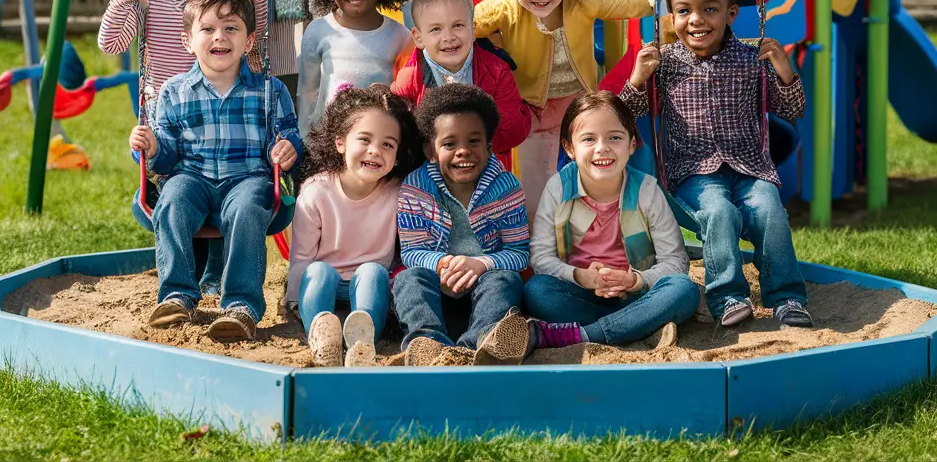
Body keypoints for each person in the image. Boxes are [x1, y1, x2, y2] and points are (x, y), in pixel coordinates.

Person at [621, 0, 812, 328]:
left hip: (749, 166)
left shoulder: (750, 59)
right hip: (693, 174)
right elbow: (626, 118)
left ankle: (787, 296)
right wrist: (637, 80)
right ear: (671, 16)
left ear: (731, 14)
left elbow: (792, 110)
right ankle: (727, 297)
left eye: (709, 9)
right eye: (683, 11)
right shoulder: (665, 62)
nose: (696, 20)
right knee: (719, 213)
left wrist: (786, 73)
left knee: (769, 208)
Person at [99, 0, 265, 295]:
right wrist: (122, 0)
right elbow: (112, 45)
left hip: (220, 103)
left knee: (225, 178)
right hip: (169, 109)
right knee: (182, 186)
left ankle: (216, 277)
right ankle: (185, 277)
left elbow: (255, 49)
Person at [128, 0, 301, 343]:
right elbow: (167, 153)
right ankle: (177, 295)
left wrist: (286, 150)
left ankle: (240, 306)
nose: (219, 37)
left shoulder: (269, 90)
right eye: (207, 29)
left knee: (250, 207)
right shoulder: (173, 91)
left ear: (249, 41)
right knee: (171, 199)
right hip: (193, 177)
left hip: (247, 178)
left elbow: (286, 136)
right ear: (188, 40)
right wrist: (152, 146)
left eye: (231, 28)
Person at [474, 0, 652, 221]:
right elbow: (470, 23)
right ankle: (533, 243)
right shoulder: (505, 5)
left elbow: (620, 7)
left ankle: (589, 234)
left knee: (586, 176)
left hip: (577, 104)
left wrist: (654, 1)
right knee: (535, 185)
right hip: (533, 110)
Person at [512, 91, 698, 358]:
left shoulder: (646, 190)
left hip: (637, 295)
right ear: (569, 148)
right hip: (582, 295)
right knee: (537, 291)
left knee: (683, 289)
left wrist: (635, 279)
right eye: (589, 139)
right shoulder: (558, 188)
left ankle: (585, 335)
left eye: (615, 137)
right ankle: (636, 327)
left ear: (631, 145)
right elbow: (541, 257)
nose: (602, 148)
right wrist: (581, 276)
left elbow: (676, 261)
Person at [392, 84, 530, 366]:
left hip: (486, 299)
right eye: (450, 144)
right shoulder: (416, 187)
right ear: (432, 150)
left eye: (474, 141)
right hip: (438, 295)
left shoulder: (506, 187)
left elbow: (519, 253)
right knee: (409, 278)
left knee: (507, 279)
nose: (463, 151)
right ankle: (428, 345)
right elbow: (412, 250)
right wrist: (445, 263)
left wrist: (480, 264)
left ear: (488, 144)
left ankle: (474, 348)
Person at [286, 84, 424, 367]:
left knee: (372, 271)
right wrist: (293, 299)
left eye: (387, 144)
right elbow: (301, 256)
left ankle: (362, 344)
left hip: (371, 284)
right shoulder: (316, 192)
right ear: (340, 142)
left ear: (397, 155)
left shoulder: (399, 193)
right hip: (327, 282)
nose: (375, 151)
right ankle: (323, 339)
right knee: (318, 272)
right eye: (364, 139)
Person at [391, 0, 531, 170]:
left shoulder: (497, 71)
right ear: (418, 37)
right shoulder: (411, 78)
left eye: (457, 25)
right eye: (436, 29)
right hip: (432, 174)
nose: (448, 37)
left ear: (473, 28)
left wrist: (469, 144)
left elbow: (513, 132)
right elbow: (402, 132)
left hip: (486, 171)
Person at [295, 0, 413, 135]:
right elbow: (307, 96)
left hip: (379, 150)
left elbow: (406, 99)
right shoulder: (318, 31)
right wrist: (306, 144)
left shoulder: (400, 37)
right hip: (327, 148)